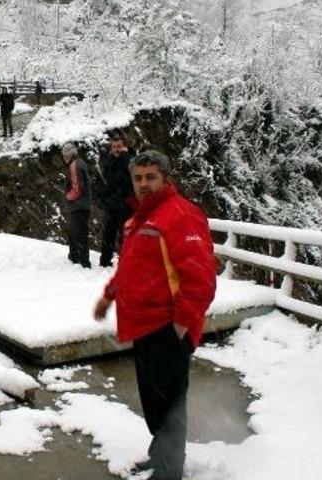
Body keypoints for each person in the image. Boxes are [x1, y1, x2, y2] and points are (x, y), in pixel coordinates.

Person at [93, 150, 216, 480]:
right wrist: (109, 296)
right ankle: (160, 455)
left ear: (165, 179)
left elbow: (201, 280)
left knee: (170, 405)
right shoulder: (139, 219)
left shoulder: (180, 215)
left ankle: (169, 471)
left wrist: (180, 324)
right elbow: (131, 269)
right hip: (142, 326)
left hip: (167, 326)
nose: (144, 184)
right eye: (138, 178)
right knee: (155, 403)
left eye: (151, 177)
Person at [96, 132, 135, 267]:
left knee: (125, 234)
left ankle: (126, 262)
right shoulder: (109, 161)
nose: (116, 149)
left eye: (119, 146)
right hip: (112, 204)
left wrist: (125, 156)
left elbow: (132, 174)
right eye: (114, 147)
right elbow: (105, 181)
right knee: (108, 233)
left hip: (125, 204)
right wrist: (103, 198)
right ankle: (105, 261)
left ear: (124, 147)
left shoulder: (130, 159)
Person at [62, 143, 92, 268]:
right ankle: (77, 258)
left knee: (78, 233)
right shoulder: (80, 163)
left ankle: (82, 261)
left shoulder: (74, 165)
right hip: (83, 204)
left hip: (78, 205)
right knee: (79, 233)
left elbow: (77, 188)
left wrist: (68, 196)